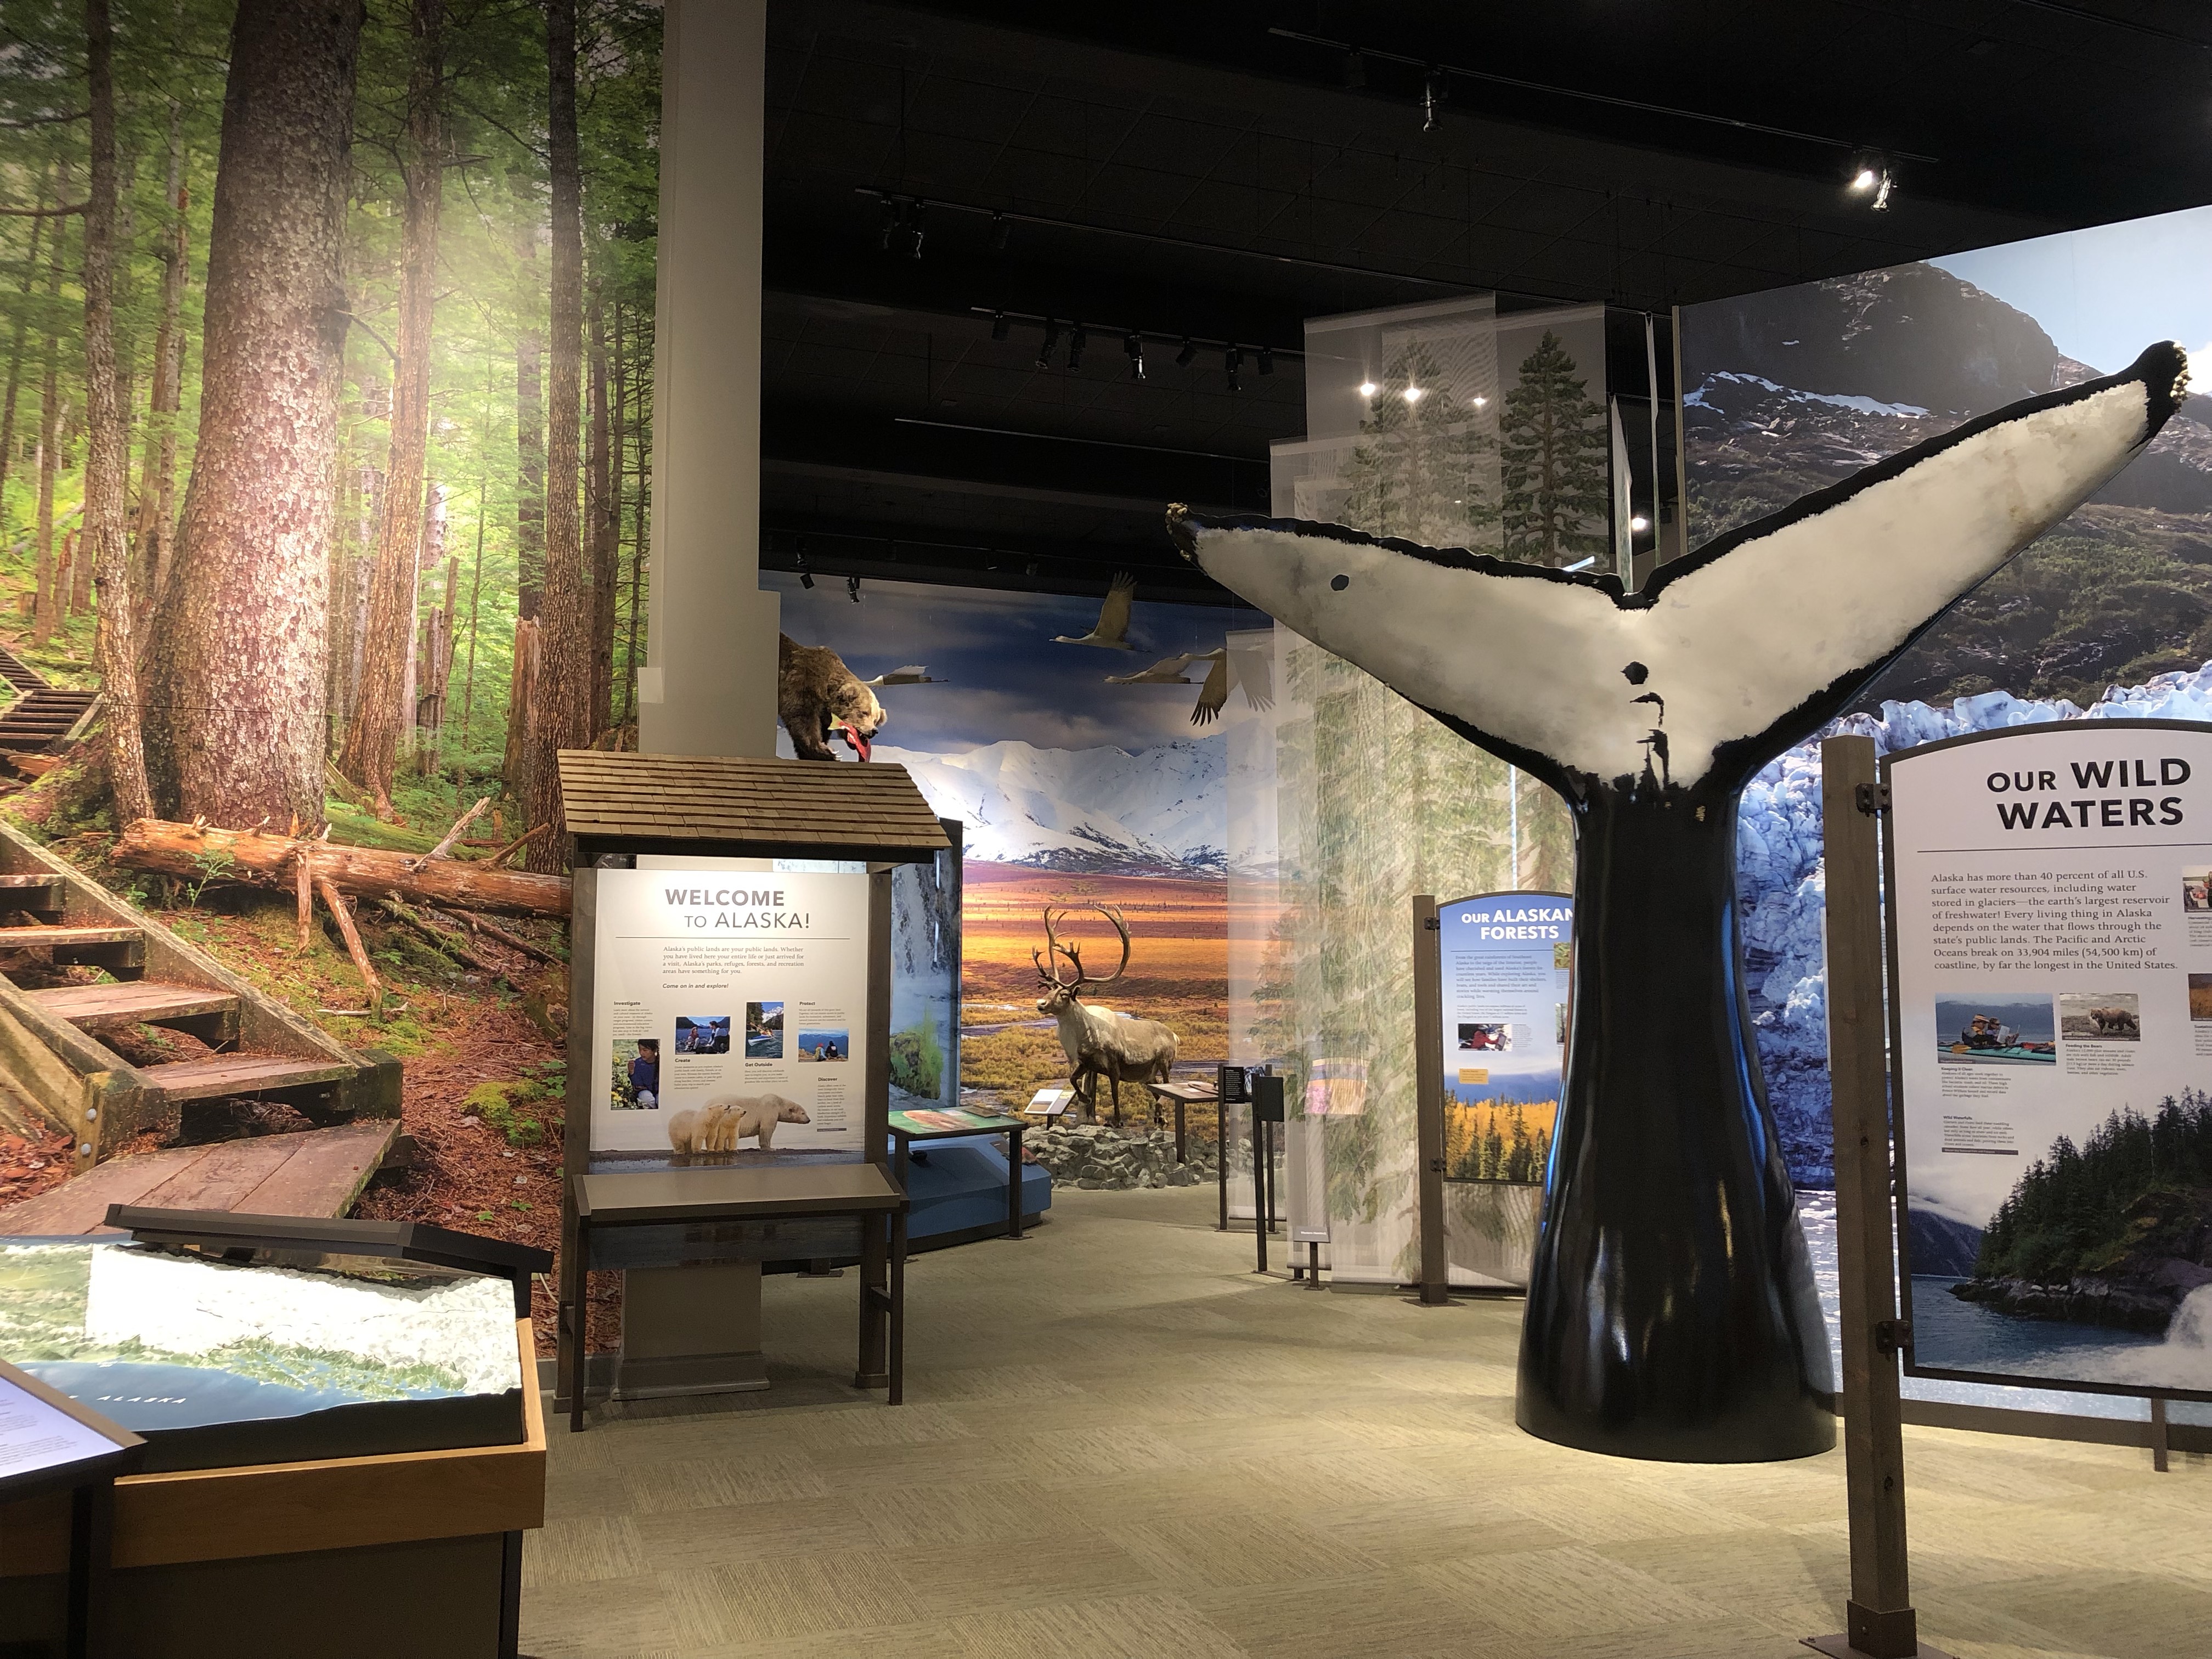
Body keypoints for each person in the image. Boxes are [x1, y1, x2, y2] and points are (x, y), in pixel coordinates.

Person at [629, 1039, 660, 1108]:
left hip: (660, 1091)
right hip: (645, 1092)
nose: (641, 1053)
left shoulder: (660, 1062)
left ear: (654, 1050)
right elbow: (637, 1084)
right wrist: (632, 1072)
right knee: (646, 1098)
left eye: (645, 1050)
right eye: (640, 1050)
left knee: (661, 1099)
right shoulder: (638, 1063)